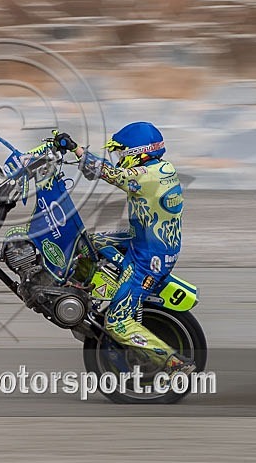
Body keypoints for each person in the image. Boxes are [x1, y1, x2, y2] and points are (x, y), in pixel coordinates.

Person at [54, 122, 195, 374]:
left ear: (138, 152)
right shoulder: (161, 168)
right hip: (141, 240)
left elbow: (111, 174)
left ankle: (173, 362)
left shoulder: (148, 176)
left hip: (148, 259)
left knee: (117, 323)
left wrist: (76, 149)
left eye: (122, 152)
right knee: (90, 243)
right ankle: (82, 292)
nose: (119, 158)